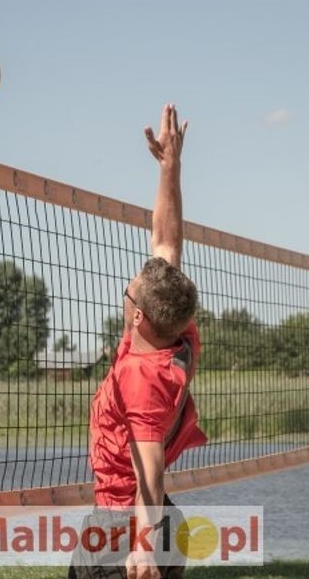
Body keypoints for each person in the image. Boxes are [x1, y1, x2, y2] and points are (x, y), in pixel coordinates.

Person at [69, 103, 205, 579]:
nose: (127, 289)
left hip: (125, 530)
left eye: (129, 292)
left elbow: (150, 470)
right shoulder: (175, 333)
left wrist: (143, 548)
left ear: (139, 316)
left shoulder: (140, 376)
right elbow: (167, 243)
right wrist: (170, 168)